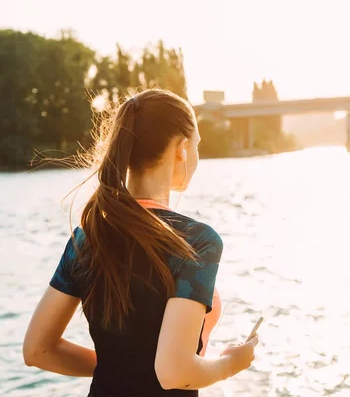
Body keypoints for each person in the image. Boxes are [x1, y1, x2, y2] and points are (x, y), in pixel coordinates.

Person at [22, 89, 259, 396]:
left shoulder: (86, 237)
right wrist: (232, 364)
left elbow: (38, 351)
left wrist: (116, 366)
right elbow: (174, 373)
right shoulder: (194, 241)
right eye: (198, 145)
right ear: (182, 149)